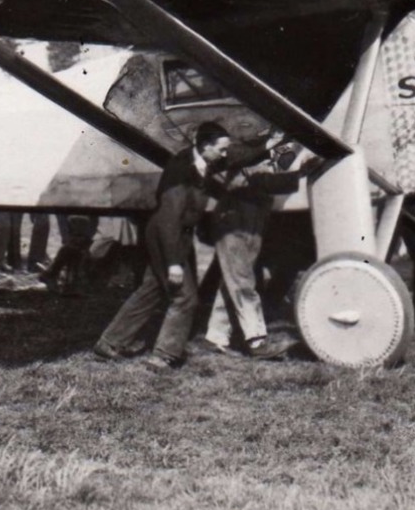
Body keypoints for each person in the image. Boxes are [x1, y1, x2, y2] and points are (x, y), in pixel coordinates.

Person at [94, 121, 233, 370]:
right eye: (221, 150)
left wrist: (268, 146)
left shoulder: (202, 161)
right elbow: (170, 220)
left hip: (174, 234)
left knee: (152, 290)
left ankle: (109, 343)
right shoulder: (181, 171)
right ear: (205, 146)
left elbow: (227, 168)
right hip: (166, 235)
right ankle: (163, 355)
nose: (225, 155)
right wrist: (174, 264)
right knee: (185, 297)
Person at [200, 142, 309, 359]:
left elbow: (271, 182)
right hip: (235, 219)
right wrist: (302, 172)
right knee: (242, 280)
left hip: (252, 219)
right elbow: (265, 180)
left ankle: (215, 336)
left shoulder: (257, 155)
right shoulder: (243, 151)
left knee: (233, 279)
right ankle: (256, 340)